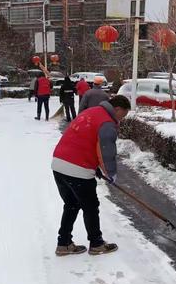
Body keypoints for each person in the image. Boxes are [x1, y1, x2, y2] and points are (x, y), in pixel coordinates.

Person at [51, 95, 131, 256]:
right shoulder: (107, 123)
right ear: (117, 109)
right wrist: (110, 173)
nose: (123, 118)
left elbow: (83, 139)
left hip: (59, 163)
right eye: (124, 114)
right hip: (77, 168)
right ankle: (96, 243)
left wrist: (96, 167)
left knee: (72, 204)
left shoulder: (91, 112)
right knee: (91, 207)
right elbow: (107, 152)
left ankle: (64, 243)